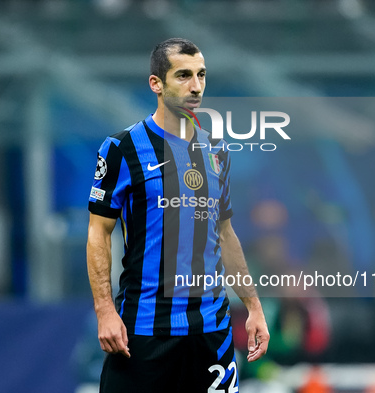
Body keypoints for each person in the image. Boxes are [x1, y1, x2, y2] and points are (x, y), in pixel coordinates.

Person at [86, 38, 269, 392]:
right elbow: (98, 232)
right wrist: (105, 311)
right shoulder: (121, 149)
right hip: (144, 330)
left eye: (201, 75)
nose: (196, 86)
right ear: (156, 83)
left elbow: (225, 234)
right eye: (183, 75)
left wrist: (253, 306)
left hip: (210, 330)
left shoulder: (216, 150)